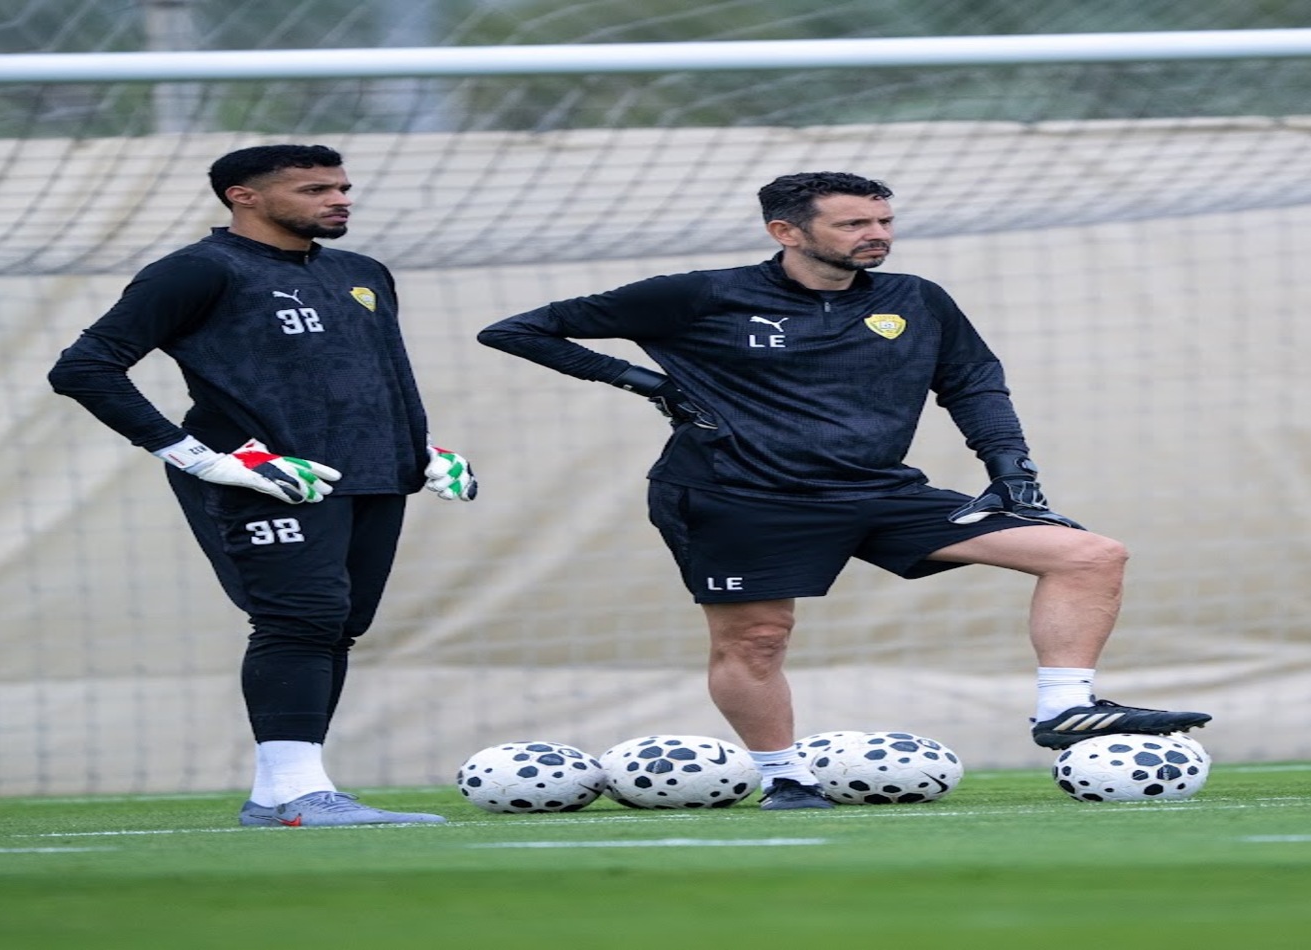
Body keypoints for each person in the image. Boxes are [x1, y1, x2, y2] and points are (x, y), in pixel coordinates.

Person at [477, 170, 1210, 810]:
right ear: (785, 231)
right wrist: (644, 382)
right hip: (740, 493)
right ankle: (784, 777)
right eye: (854, 223)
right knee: (756, 639)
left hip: (878, 489)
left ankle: (1064, 710)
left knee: (1088, 555)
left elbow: (973, 383)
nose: (877, 235)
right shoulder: (698, 296)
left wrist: (1010, 467)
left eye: (884, 220)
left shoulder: (916, 300)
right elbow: (518, 330)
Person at [49, 144, 477, 827]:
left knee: (336, 626)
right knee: (298, 619)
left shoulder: (362, 273)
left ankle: (280, 794)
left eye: (341, 186)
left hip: (373, 476)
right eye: (314, 189)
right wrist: (203, 459)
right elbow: (84, 368)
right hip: (265, 479)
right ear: (242, 196)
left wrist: (420, 446)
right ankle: (301, 796)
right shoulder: (197, 271)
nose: (338, 199)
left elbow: (374, 374)